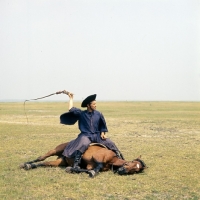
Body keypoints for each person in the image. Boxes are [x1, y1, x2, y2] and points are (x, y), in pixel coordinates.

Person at [61, 91, 124, 171]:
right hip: (85, 135)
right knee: (83, 143)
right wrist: (71, 98)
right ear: (88, 105)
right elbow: (71, 109)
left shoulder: (98, 114)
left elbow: (102, 125)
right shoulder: (81, 114)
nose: (95, 105)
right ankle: (76, 164)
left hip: (97, 135)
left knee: (110, 143)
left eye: (95, 104)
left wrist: (102, 133)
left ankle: (121, 159)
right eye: (94, 104)